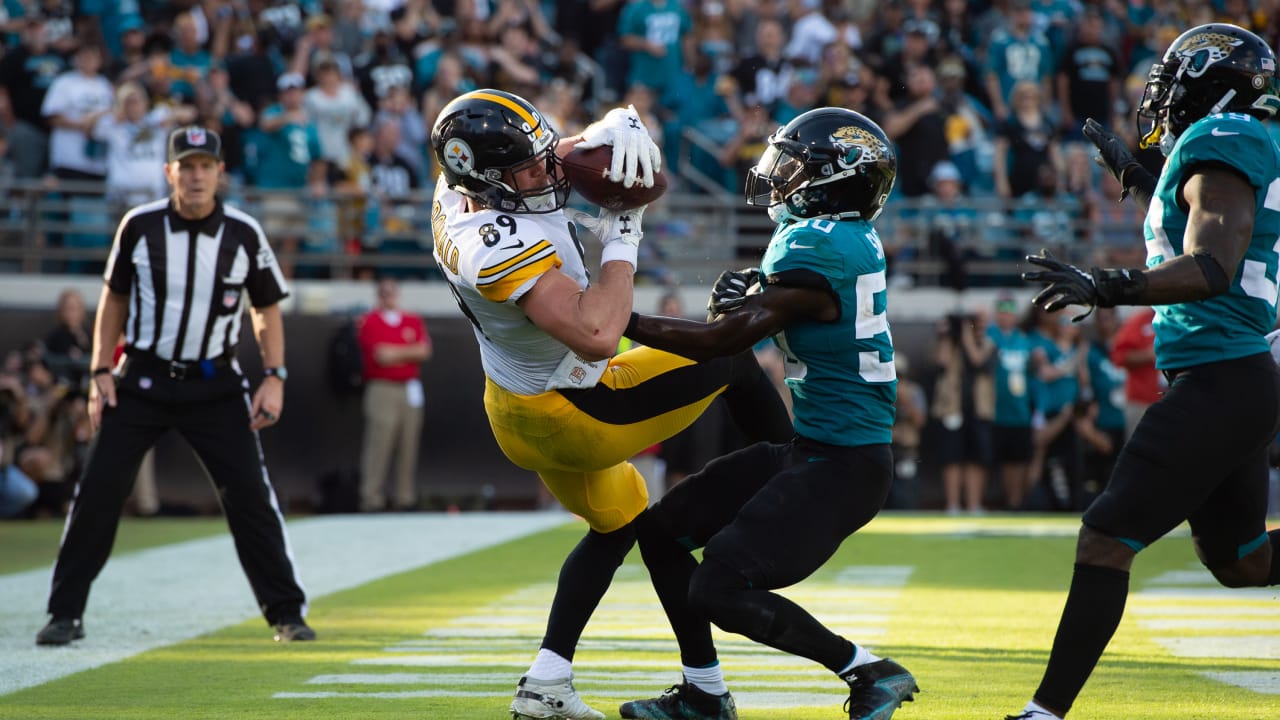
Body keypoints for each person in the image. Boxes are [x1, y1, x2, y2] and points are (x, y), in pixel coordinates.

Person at [428, 89, 792, 720]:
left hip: (515, 405)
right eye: (530, 169)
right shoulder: (494, 243)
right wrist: (624, 234)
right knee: (729, 357)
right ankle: (800, 471)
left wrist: (609, 127)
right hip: (574, 409)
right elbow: (598, 331)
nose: (547, 173)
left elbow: (551, 156)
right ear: (489, 181)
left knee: (628, 524)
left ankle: (562, 682)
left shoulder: (464, 184)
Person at [1009, 23, 1280, 719]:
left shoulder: (1224, 140)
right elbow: (1195, 215)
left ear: (1206, 85)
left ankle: (1042, 714)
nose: (1160, 97)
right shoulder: (1234, 142)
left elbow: (1212, 262)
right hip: (1232, 376)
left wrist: (1107, 285)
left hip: (1223, 374)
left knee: (1106, 536)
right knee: (1242, 562)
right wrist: (1136, 176)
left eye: (1171, 81)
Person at [619, 107, 918, 720]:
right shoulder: (841, 240)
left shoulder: (816, 247)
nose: (779, 174)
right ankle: (703, 694)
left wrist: (612, 323)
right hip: (813, 448)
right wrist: (753, 291)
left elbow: (720, 342)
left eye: (795, 164)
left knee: (720, 589)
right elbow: (778, 306)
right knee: (661, 531)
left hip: (844, 464)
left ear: (834, 179)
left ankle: (867, 671)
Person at [35, 125, 314, 647]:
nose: (196, 176)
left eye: (205, 166)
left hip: (215, 382)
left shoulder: (244, 232)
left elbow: (267, 309)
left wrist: (274, 377)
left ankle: (286, 613)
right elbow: (113, 300)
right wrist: (100, 372)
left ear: (220, 173)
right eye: (186, 167)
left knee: (251, 499)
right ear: (170, 173)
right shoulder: (138, 227)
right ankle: (64, 612)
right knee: (97, 491)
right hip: (140, 377)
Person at [357, 277, 432, 512]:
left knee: (409, 443)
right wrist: (409, 352)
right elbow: (381, 355)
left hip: (409, 388)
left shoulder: (412, 319)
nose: (388, 297)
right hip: (382, 388)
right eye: (383, 292)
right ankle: (372, 498)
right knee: (380, 442)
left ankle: (405, 497)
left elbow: (424, 351)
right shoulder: (369, 321)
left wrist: (397, 353)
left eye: (391, 292)